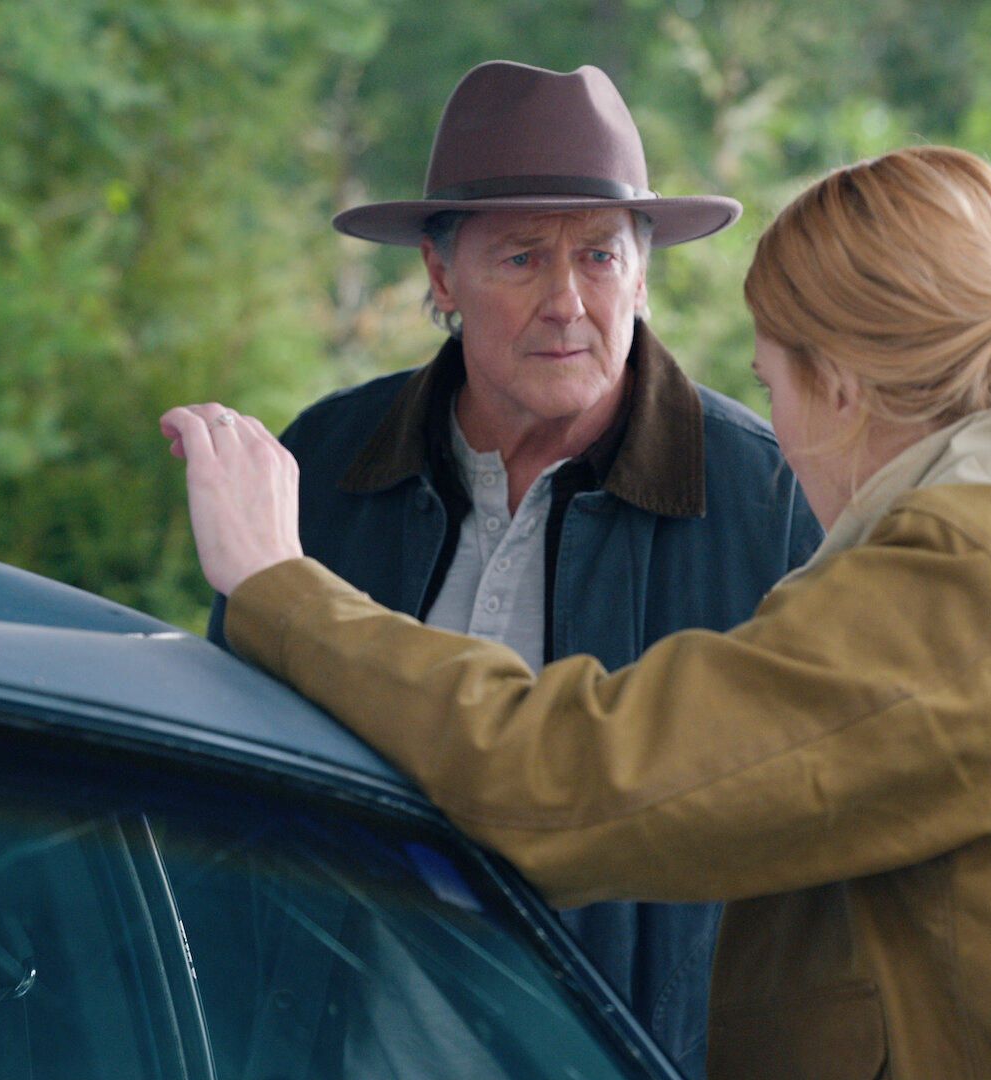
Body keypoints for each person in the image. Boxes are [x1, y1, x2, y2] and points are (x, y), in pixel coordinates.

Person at [164, 145, 991, 1077]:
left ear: (838, 386)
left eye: (770, 385)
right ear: (443, 274)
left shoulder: (974, 583)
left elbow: (577, 782)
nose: (767, 434)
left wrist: (279, 589)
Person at [196, 60, 820, 1076]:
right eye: (523, 258)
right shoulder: (329, 464)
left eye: (602, 257)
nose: (568, 302)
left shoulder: (767, 499)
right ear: (440, 277)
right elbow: (227, 784)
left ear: (645, 271)